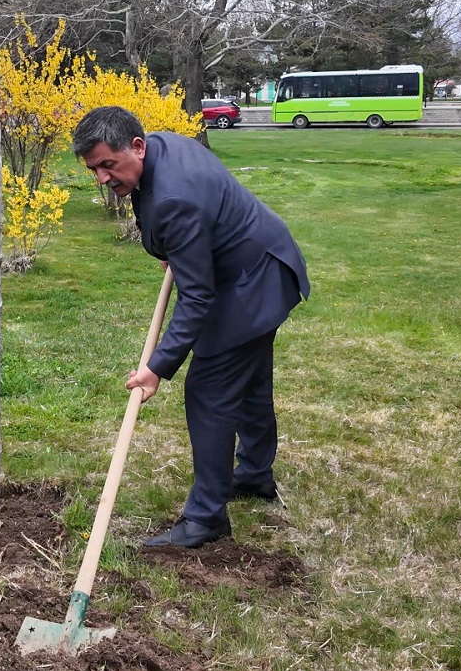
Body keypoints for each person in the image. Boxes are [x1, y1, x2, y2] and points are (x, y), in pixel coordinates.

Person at [73, 106, 309, 548]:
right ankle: (256, 475)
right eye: (94, 170)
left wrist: (157, 367)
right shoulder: (163, 145)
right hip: (263, 264)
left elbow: (197, 297)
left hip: (248, 284)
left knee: (211, 393)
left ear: (137, 146)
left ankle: (206, 519)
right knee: (251, 383)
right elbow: (190, 221)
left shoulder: (174, 200)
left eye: (108, 165)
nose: (103, 178)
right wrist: (185, 249)